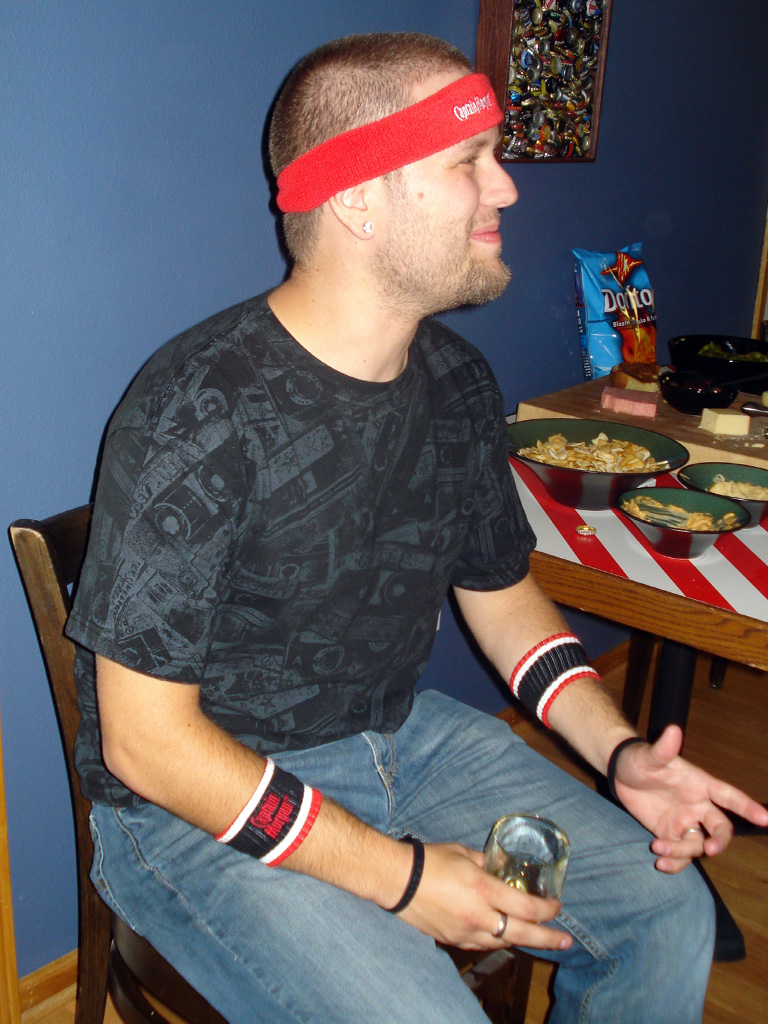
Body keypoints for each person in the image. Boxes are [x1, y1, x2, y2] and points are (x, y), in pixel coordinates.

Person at [66, 32, 768, 1024]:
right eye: (469, 160)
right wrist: (402, 879)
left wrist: (620, 753)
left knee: (670, 911)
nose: (507, 188)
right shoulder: (197, 407)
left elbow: (502, 595)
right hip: (192, 810)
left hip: (400, 741)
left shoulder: (456, 382)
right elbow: (147, 745)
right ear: (357, 198)